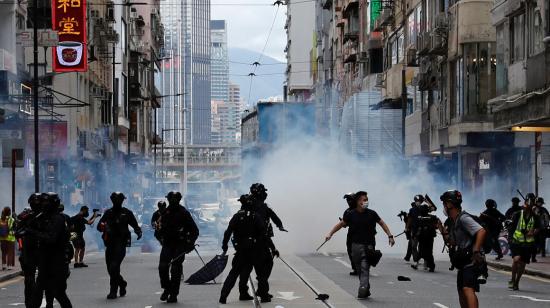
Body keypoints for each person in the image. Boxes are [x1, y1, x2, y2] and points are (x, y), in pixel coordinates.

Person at [325, 191, 395, 298]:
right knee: (359, 268)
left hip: (369, 246)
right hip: (355, 246)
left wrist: (390, 235)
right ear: (358, 202)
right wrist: (330, 234)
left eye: (367, 200)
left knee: (364, 267)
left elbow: (382, 223)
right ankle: (365, 287)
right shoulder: (350, 214)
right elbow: (341, 224)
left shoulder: (372, 213)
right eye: (364, 200)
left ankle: (363, 288)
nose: (366, 202)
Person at [219, 194, 271, 304]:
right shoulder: (255, 216)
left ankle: (224, 296)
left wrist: (225, 246)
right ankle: (264, 296)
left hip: (241, 251)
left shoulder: (237, 216)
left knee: (234, 273)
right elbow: (263, 233)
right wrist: (263, 247)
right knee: (261, 274)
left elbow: (228, 232)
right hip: (255, 250)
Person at [440, 190, 487, 308]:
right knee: (461, 291)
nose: (444, 207)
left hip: (472, 259)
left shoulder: (463, 218)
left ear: (450, 204)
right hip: (463, 261)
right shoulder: (454, 221)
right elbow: (452, 242)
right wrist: (441, 229)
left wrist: (476, 250)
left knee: (467, 289)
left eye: (444, 203)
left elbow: (481, 231)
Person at [29, 193, 73, 308]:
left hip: (57, 263)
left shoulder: (58, 219)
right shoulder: (43, 217)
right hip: (46, 262)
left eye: (45, 202)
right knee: (37, 292)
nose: (42, 204)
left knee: (58, 293)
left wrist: (33, 232)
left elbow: (51, 238)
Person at [97, 192, 142, 299]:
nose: (117, 201)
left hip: (121, 243)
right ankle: (122, 283)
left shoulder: (127, 213)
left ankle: (113, 291)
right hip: (110, 244)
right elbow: (99, 226)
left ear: (122, 201)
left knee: (114, 267)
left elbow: (135, 225)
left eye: (119, 199)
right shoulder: (108, 212)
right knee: (110, 269)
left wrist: (138, 232)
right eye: (115, 199)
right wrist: (103, 226)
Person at [157, 192, 199, 303]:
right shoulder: (165, 212)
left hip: (180, 244)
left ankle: (173, 294)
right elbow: (159, 229)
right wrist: (160, 235)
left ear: (179, 200)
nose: (173, 201)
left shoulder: (184, 213)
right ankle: (167, 288)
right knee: (162, 267)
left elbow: (194, 230)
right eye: (171, 199)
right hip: (167, 244)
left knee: (175, 269)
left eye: (175, 199)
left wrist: (189, 243)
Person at [508, 193, 541, 290]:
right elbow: (511, 227)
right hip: (516, 241)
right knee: (516, 259)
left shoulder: (535, 217)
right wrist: (510, 238)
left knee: (522, 264)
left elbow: (538, 228)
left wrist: (533, 232)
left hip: (528, 244)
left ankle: (517, 282)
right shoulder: (517, 214)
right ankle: (512, 279)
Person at [15, 193, 43, 307]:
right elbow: (18, 232)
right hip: (30, 251)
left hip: (43, 250)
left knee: (43, 281)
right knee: (29, 280)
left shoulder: (48, 216)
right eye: (33, 203)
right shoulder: (27, 216)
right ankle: (30, 304)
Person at [406, 195, 423, 269]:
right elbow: (409, 219)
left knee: (423, 247)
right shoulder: (412, 210)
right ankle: (416, 260)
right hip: (414, 230)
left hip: (423, 230)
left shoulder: (424, 208)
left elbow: (433, 209)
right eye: (416, 201)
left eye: (419, 201)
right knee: (413, 246)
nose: (417, 202)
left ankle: (426, 261)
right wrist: (407, 228)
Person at [343, 193, 358, 275]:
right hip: (352, 234)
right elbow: (344, 225)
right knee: (350, 250)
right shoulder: (347, 211)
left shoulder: (361, 209)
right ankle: (355, 268)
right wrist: (343, 223)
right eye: (347, 200)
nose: (348, 201)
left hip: (364, 234)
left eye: (350, 199)